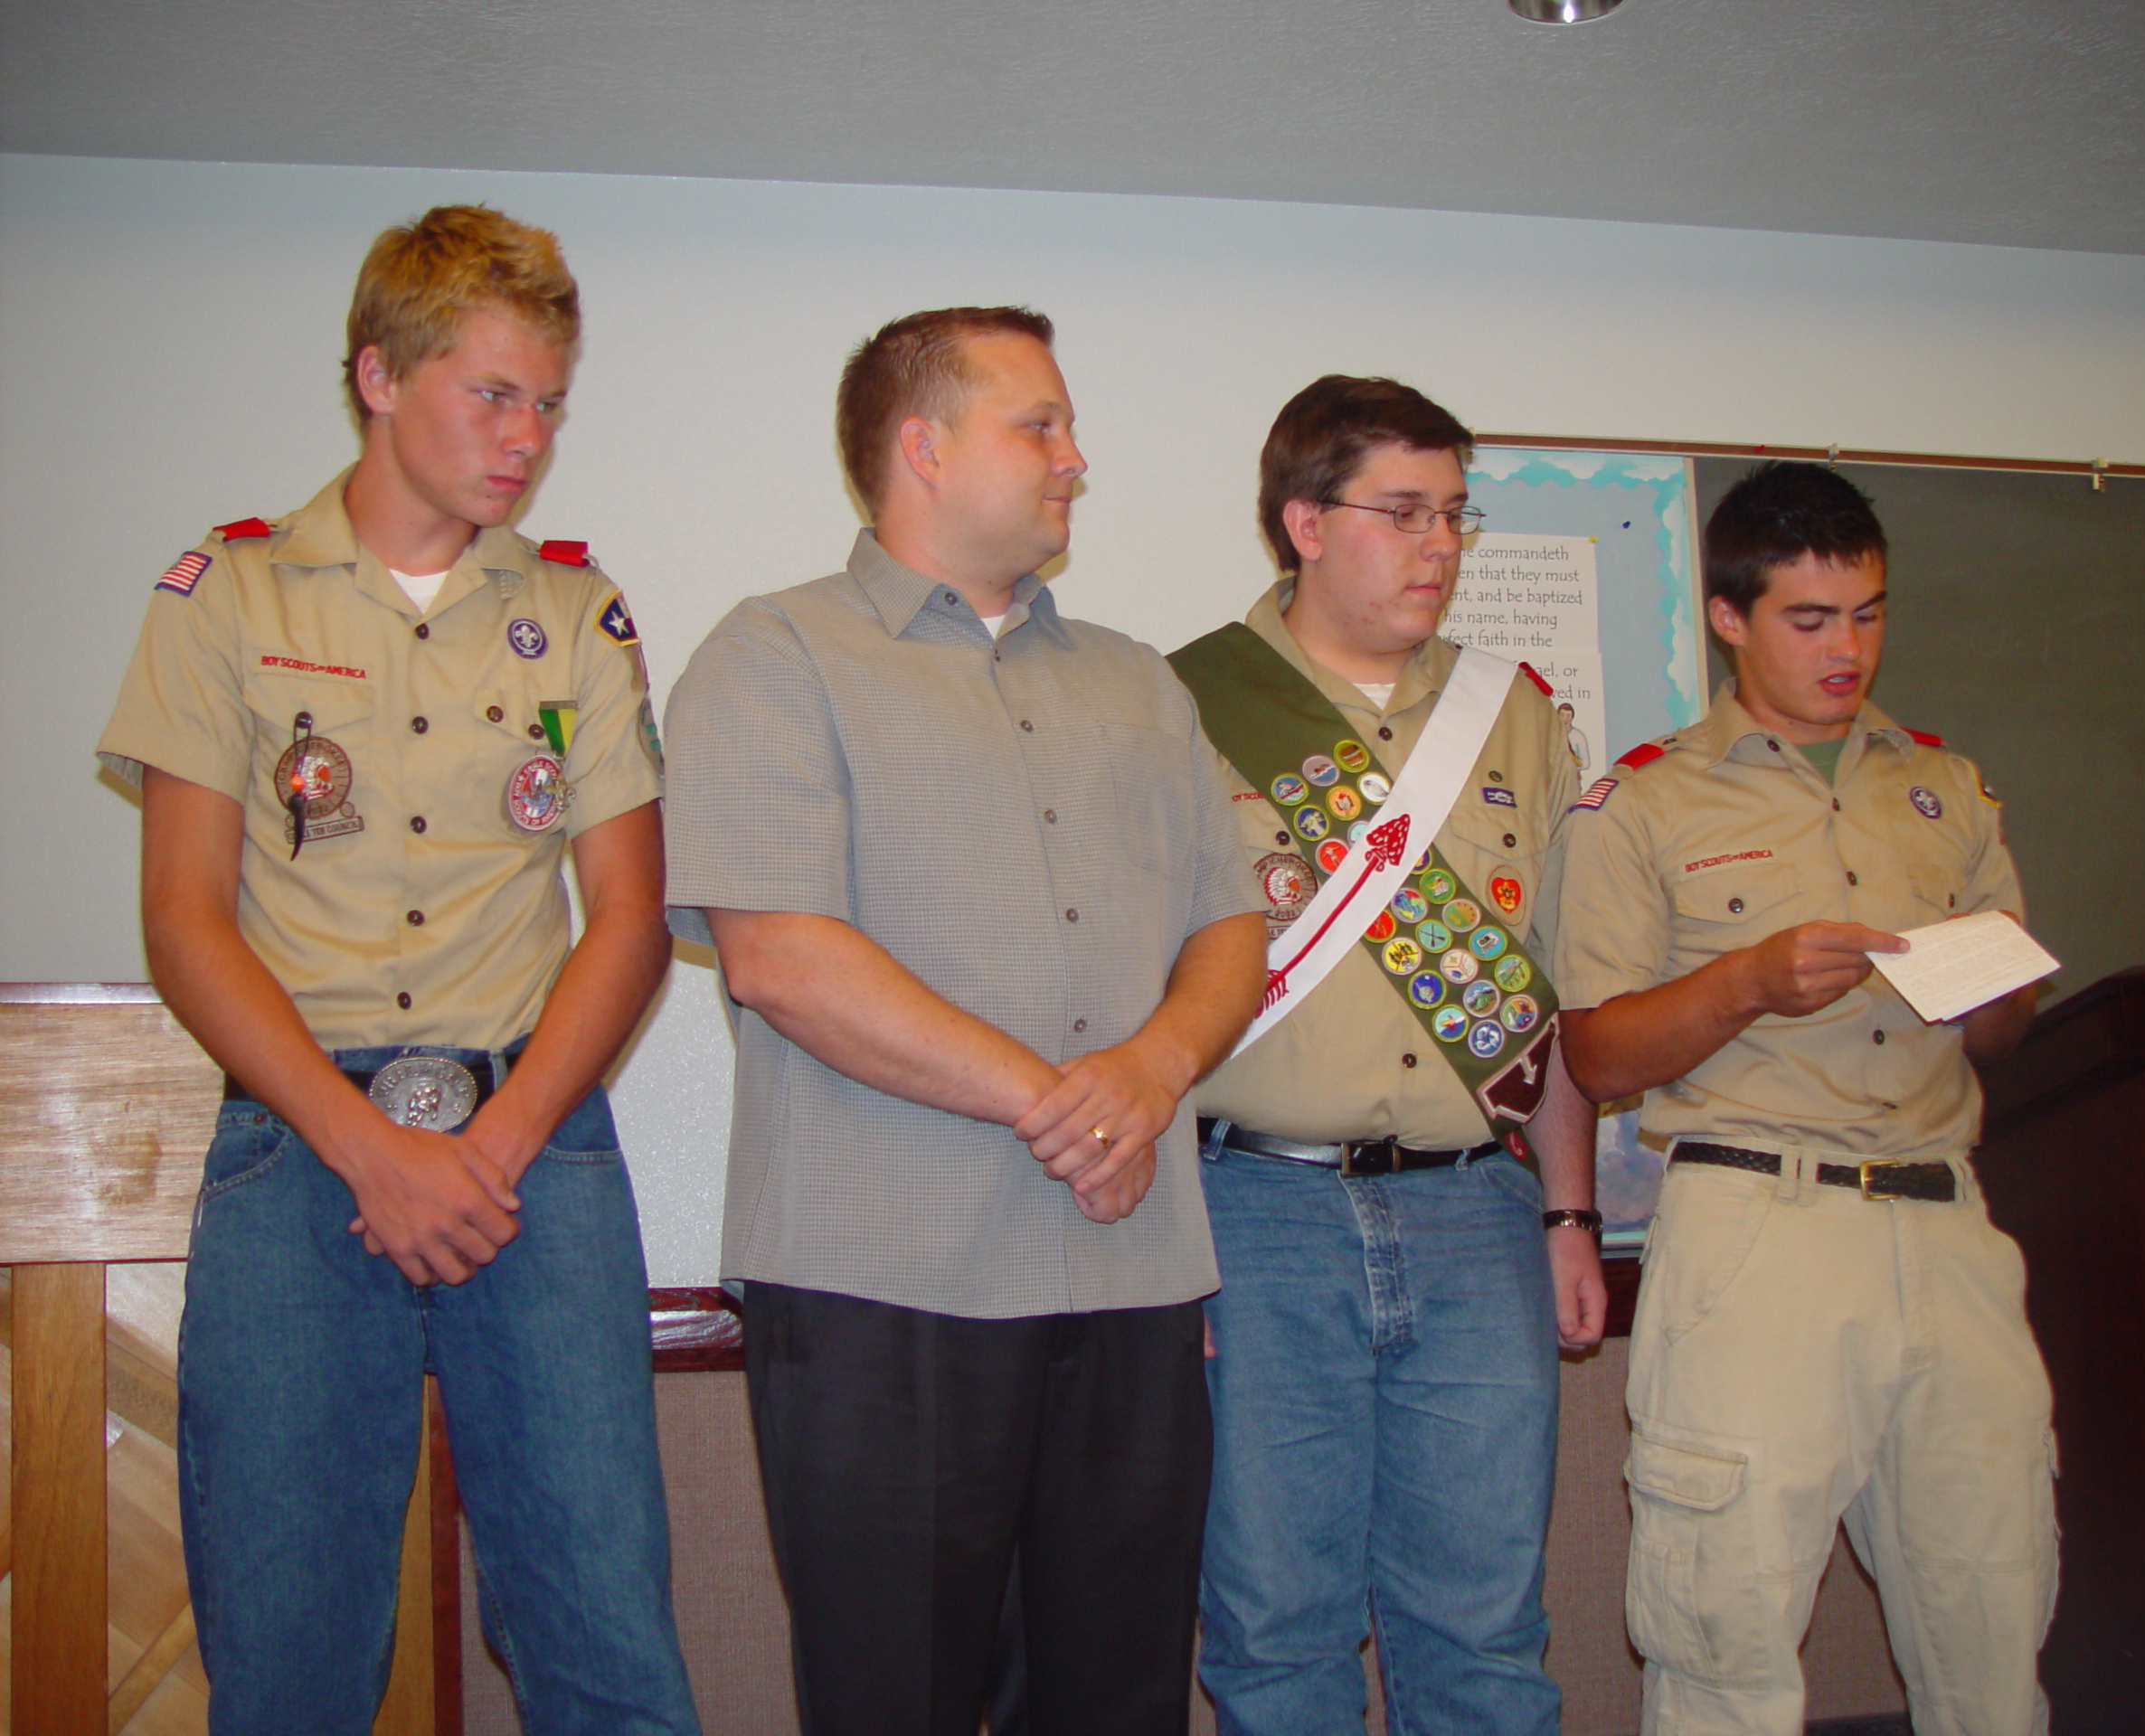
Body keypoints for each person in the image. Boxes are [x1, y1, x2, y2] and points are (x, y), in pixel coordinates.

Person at [96, 206, 698, 1733]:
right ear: (377, 372)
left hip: (533, 1151)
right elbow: (185, 922)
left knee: (605, 1639)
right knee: (290, 1651)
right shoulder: (227, 598)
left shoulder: (573, 615)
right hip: (302, 1154)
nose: (528, 439)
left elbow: (629, 918)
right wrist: (373, 1149)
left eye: (550, 402)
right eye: (492, 395)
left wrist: (488, 1151)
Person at [661, 306, 1267, 1736]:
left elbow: (1229, 925)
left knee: (1118, 1702)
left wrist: (1149, 1070)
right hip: (883, 1291)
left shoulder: (1139, 681)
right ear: (921, 447)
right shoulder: (775, 657)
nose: (1076, 459)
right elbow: (781, 957)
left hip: (1130, 1279)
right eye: (1039, 425)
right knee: (899, 1701)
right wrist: (1059, 1101)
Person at [1554, 460, 2056, 1735]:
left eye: (1871, 613)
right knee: (1725, 1629)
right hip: (1760, 1227)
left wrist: (1991, 980)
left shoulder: (1944, 787)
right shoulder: (1645, 801)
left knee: (1995, 1612)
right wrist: (1748, 981)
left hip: (1947, 1222)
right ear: (1728, 616)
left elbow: (2004, 1032)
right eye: (1811, 619)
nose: (1850, 649)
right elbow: (1600, 1058)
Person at [1168, 374, 1609, 1734]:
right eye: (1403, 512)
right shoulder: (1178, 708)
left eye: (1456, 517)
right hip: (1254, 1212)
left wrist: (1570, 1213)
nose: (1442, 546)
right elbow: (1123, 1001)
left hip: (1478, 1213)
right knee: (1275, 1627)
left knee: (1484, 1630)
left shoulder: (1515, 718)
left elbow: (1558, 1001)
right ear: (1304, 520)